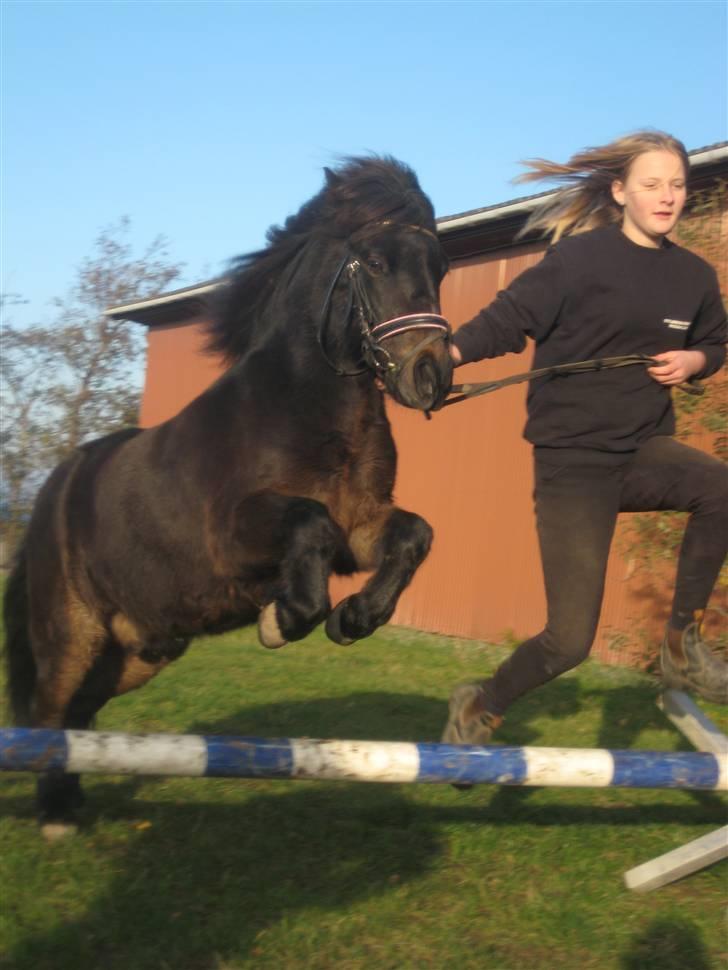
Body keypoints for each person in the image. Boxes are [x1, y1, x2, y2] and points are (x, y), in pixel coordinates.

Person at [442, 130, 728, 749]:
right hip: (573, 463)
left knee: (721, 488)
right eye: (652, 184)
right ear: (620, 191)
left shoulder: (693, 277)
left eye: (677, 185)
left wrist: (697, 362)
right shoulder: (579, 261)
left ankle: (683, 642)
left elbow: (717, 342)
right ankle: (481, 704)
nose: (668, 197)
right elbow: (509, 319)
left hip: (643, 450)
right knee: (569, 640)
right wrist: (451, 353)